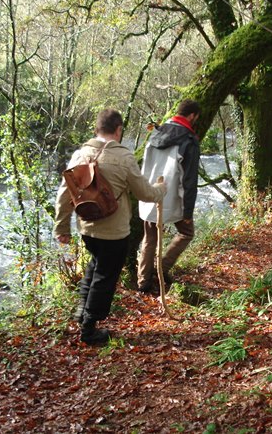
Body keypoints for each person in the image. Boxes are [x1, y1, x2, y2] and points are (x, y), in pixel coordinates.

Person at [53, 109, 167, 345]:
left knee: (96, 266)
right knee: (105, 275)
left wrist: (61, 228)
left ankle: (81, 310)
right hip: (114, 232)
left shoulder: (79, 155)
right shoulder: (124, 158)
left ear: (96, 129)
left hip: (87, 227)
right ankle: (89, 329)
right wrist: (161, 189)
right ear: (118, 130)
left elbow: (64, 194)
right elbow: (145, 193)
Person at [137, 99, 201, 294]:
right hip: (174, 197)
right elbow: (189, 181)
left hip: (150, 192)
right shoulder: (188, 140)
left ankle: (143, 282)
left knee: (150, 238)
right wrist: (188, 211)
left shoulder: (156, 133)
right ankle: (161, 268)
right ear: (192, 116)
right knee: (186, 232)